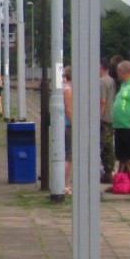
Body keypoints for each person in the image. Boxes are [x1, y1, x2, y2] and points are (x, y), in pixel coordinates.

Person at [113, 61, 130, 176]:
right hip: (119, 125)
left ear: (122, 71)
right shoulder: (124, 84)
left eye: (119, 73)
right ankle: (121, 179)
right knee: (121, 154)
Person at [100, 59, 116, 184]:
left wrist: (98, 115)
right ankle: (109, 171)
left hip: (104, 117)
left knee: (104, 145)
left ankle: (106, 172)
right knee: (109, 145)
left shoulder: (102, 82)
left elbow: (103, 100)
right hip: (111, 116)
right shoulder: (111, 80)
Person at [62, 66, 73, 195]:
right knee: (69, 156)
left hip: (64, 125)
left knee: (67, 155)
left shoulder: (64, 87)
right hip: (68, 125)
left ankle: (65, 184)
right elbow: (69, 111)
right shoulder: (68, 90)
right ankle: (66, 184)